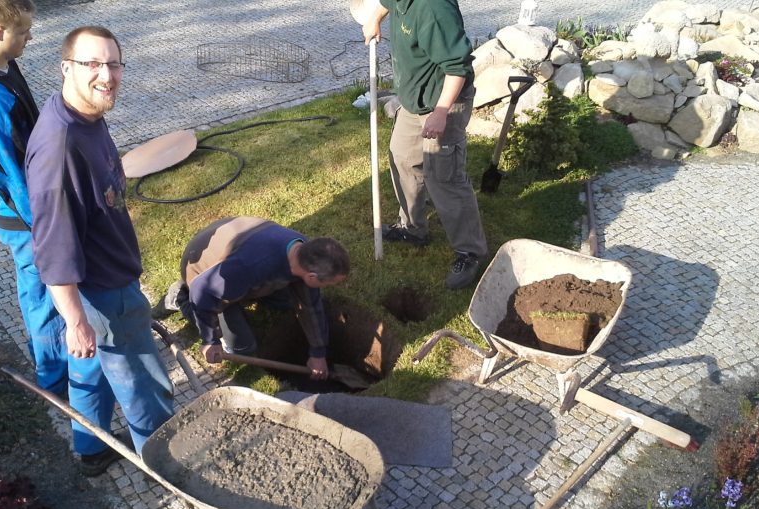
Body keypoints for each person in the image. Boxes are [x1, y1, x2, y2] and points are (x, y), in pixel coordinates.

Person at [24, 26, 174, 477]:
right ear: (66, 67)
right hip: (104, 290)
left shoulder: (85, 113)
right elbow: (52, 249)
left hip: (101, 279)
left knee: (89, 370)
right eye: (93, 64)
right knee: (144, 384)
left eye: (113, 64)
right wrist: (75, 320)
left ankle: (90, 450)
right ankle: (170, 466)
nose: (106, 75)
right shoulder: (61, 148)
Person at [0, 0, 69, 394]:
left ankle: (46, 357)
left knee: (32, 287)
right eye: (23, 31)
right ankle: (55, 379)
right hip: (24, 216)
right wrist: (45, 224)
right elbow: (11, 172)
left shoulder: (0, 63)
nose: (30, 37)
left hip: (27, 209)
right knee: (44, 292)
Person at [362, 0, 488, 289]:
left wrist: (442, 111)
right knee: (403, 157)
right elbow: (385, 3)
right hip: (413, 101)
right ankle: (413, 227)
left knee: (445, 178)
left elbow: (457, 66)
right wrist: (375, 19)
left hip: (444, 102)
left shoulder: (434, 8)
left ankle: (470, 252)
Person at [165, 216, 349, 380]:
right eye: (329, 284)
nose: (329, 287)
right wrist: (209, 340)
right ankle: (180, 296)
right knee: (242, 348)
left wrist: (318, 353)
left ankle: (243, 293)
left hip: (235, 249)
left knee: (286, 302)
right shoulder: (250, 266)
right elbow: (202, 290)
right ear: (312, 276)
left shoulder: (304, 253)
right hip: (204, 273)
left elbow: (310, 306)